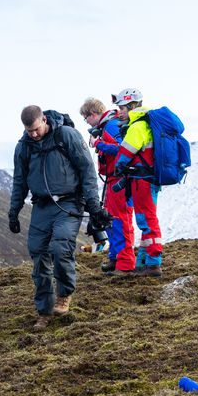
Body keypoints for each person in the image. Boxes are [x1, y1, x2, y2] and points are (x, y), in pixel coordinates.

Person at [9, 105, 112, 332]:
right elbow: (19, 181)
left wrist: (94, 205)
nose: (33, 134)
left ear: (43, 120)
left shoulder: (66, 136)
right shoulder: (23, 147)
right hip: (41, 206)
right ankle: (44, 311)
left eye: (36, 129)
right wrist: (13, 211)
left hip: (69, 203)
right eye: (29, 131)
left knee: (60, 247)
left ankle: (64, 294)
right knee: (38, 254)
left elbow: (87, 170)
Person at [80, 98, 136, 275]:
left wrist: (98, 143)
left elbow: (122, 148)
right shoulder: (109, 125)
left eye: (86, 118)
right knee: (111, 219)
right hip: (113, 180)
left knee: (120, 219)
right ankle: (115, 257)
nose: (86, 122)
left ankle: (125, 263)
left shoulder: (111, 126)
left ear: (93, 114)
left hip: (119, 180)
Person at [112, 88, 163, 277]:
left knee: (147, 219)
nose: (120, 112)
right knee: (145, 219)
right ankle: (144, 262)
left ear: (133, 106)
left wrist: (119, 166)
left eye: (123, 108)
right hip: (146, 179)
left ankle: (153, 263)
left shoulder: (137, 126)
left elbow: (126, 152)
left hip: (142, 180)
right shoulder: (145, 123)